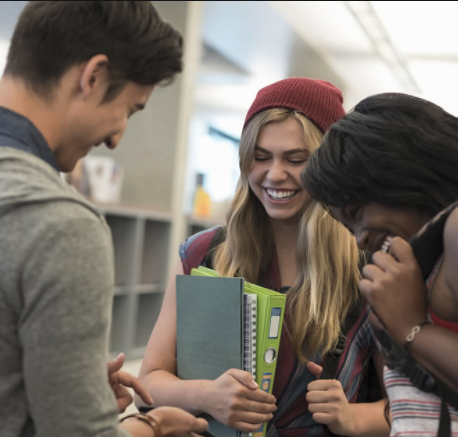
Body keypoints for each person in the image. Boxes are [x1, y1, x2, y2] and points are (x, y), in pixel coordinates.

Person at [0, 1, 209, 436]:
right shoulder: (61, 226)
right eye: (130, 110)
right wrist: (151, 426)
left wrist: (59, 370)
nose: (116, 138)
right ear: (93, 77)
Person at [138, 78, 389, 436]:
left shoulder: (369, 270)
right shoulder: (204, 255)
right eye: (260, 157)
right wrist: (207, 395)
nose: (274, 174)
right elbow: (148, 384)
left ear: (330, 165)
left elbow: (412, 407)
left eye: (296, 159)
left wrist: (352, 418)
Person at [301, 92, 458, 436]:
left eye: (357, 215)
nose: (359, 239)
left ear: (399, 175)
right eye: (347, 226)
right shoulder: (422, 266)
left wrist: (412, 328)